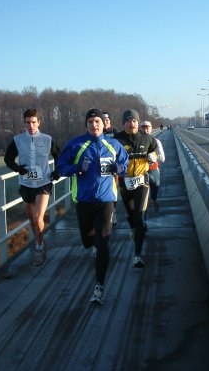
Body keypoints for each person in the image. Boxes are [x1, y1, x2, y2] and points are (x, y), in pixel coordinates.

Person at [56, 108, 129, 304]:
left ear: (103, 124)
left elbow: (125, 163)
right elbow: (61, 167)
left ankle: (99, 286)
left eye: (97, 121)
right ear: (86, 125)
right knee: (88, 241)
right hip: (84, 200)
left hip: (106, 201)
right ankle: (93, 245)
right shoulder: (76, 145)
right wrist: (76, 169)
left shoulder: (113, 144)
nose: (94, 125)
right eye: (90, 122)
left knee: (103, 241)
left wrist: (119, 168)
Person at [4, 108, 60, 266]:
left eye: (34, 122)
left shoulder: (47, 139)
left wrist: (57, 172)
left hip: (43, 183)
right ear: (24, 123)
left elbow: (58, 155)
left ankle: (39, 247)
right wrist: (18, 169)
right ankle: (39, 239)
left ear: (39, 122)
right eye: (28, 122)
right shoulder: (18, 140)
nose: (31, 125)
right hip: (26, 184)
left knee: (38, 218)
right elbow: (8, 159)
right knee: (32, 220)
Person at [115, 110, 158, 268]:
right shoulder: (117, 140)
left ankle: (137, 255)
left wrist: (153, 157)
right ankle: (133, 227)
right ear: (123, 123)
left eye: (134, 121)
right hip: (125, 183)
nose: (131, 124)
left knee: (139, 217)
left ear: (137, 123)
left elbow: (155, 151)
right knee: (130, 215)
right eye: (128, 121)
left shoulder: (146, 138)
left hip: (142, 182)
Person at [140, 120, 165, 212]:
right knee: (141, 191)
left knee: (155, 185)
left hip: (152, 168)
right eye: (143, 128)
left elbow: (162, 158)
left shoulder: (156, 141)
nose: (145, 130)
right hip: (141, 170)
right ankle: (142, 209)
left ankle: (154, 200)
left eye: (147, 128)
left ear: (151, 129)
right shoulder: (136, 141)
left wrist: (153, 156)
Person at [103, 111, 119, 225]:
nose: (105, 121)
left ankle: (113, 213)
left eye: (107, 119)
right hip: (100, 165)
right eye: (103, 119)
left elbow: (120, 146)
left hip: (113, 165)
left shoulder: (115, 131)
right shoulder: (97, 132)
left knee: (113, 190)